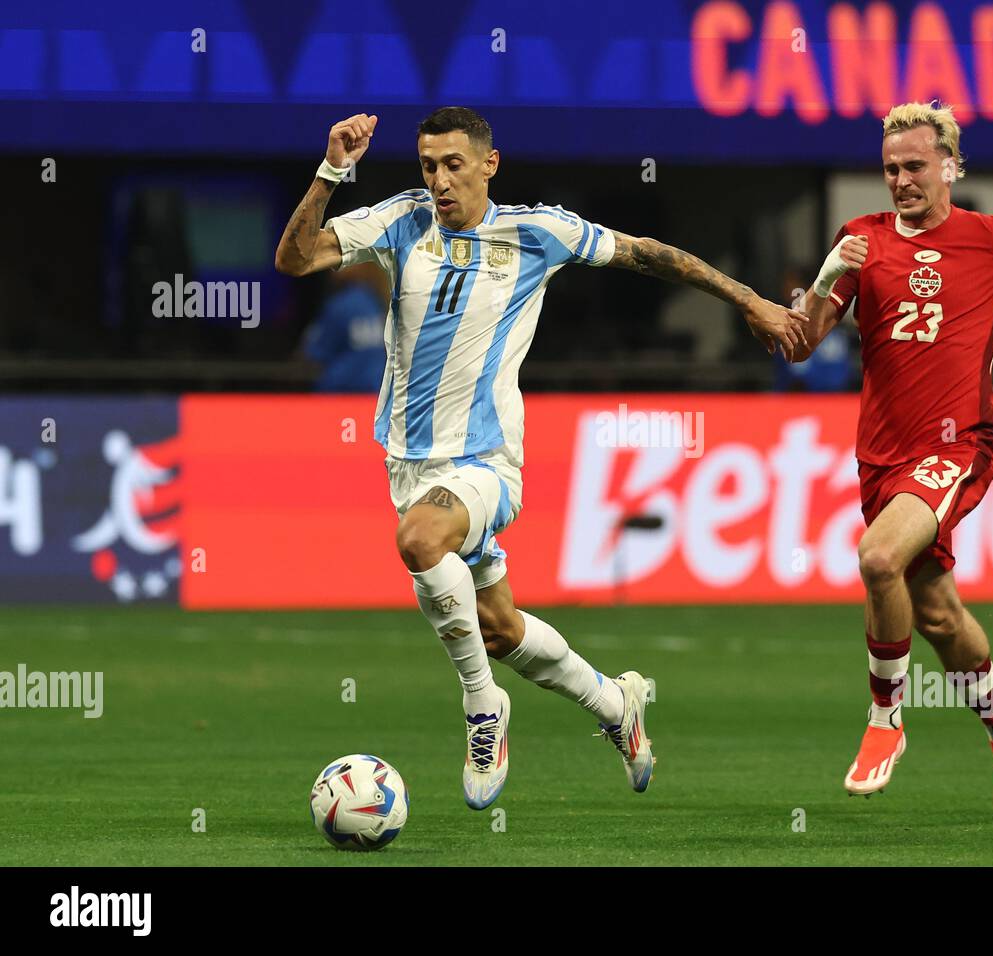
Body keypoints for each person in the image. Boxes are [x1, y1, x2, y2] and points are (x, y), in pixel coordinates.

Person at [274, 107, 805, 810]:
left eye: (454, 164)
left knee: (418, 541)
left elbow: (647, 252)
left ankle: (482, 710)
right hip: (409, 466)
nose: (439, 180)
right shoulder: (402, 220)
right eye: (428, 165)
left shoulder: (535, 232)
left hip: (489, 461)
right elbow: (295, 258)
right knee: (498, 629)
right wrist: (332, 170)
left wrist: (749, 299)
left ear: (489, 165)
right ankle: (618, 707)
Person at [791, 101, 993, 810]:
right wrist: (823, 278)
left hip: (955, 444)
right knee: (936, 615)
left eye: (914, 166)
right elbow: (801, 341)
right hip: (879, 457)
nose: (901, 180)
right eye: (890, 169)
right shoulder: (861, 239)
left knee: (878, 559)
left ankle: (885, 723)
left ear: (949, 166)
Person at [300, 261, 389, 393]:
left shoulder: (341, 305)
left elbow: (310, 356)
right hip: (376, 395)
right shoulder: (379, 303)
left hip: (340, 395)